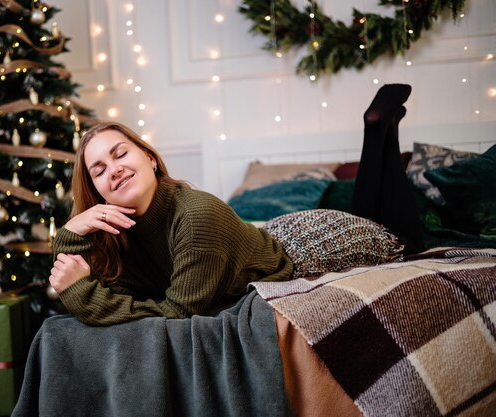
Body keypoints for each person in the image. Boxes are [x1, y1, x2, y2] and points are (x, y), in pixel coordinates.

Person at [49, 84, 424, 326]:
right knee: (374, 215)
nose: (113, 170)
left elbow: (177, 315)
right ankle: (380, 129)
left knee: (399, 236)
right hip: (272, 234)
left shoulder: (195, 217)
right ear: (96, 190)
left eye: (120, 154)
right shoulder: (121, 232)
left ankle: (379, 132)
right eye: (98, 170)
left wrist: (80, 294)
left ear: (149, 157)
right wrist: (71, 233)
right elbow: (97, 284)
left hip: (315, 248)